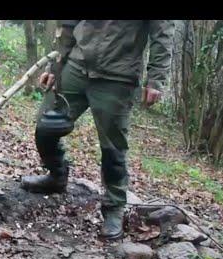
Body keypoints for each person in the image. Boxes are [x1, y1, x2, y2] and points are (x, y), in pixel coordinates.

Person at [21, 20, 175, 240]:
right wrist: (55, 66)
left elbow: (163, 32)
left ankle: (114, 208)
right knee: (47, 125)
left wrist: (156, 79)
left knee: (113, 149)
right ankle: (56, 175)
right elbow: (67, 24)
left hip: (117, 76)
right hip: (77, 65)